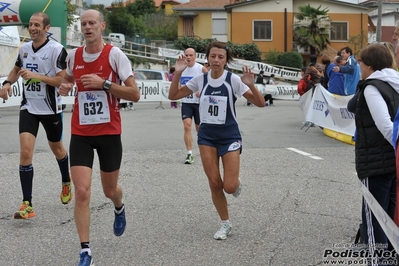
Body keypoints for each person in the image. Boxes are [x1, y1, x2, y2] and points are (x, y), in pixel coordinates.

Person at [59, 9, 140, 266]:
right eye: (83, 24)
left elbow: (134, 94)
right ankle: (85, 251)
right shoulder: (73, 56)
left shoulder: (115, 55)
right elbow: (68, 79)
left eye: (92, 23)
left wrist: (104, 84)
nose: (87, 27)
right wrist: (64, 85)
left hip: (109, 132)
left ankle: (119, 205)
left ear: (102, 26)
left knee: (109, 190)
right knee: (82, 192)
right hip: (81, 132)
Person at [168, 41, 265, 240]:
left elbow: (260, 103)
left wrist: (251, 85)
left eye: (221, 57)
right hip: (207, 136)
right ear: (208, 58)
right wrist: (177, 73)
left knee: (229, 186)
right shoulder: (200, 80)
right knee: (214, 183)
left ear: (226, 60)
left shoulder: (233, 80)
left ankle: (235, 183)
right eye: (213, 56)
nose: (216, 60)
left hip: (229, 136)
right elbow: (174, 95)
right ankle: (225, 223)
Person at [0, 12, 72, 219]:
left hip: (50, 109)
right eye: (31, 24)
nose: (32, 28)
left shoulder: (57, 50)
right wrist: (6, 84)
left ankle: (66, 181)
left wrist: (36, 76)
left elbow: (63, 81)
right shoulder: (24, 49)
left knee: (57, 149)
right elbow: (15, 70)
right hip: (28, 107)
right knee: (25, 152)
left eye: (37, 25)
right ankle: (27, 204)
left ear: (46, 28)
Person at [347, 43, 399, 264]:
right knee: (389, 217)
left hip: (376, 161)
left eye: (360, 61)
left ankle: (376, 261)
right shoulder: (394, 82)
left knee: (374, 218)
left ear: (369, 64)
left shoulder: (372, 87)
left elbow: (386, 126)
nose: (358, 65)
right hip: (393, 163)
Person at [179, 47, 208, 164]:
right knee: (187, 126)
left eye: (191, 55)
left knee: (199, 129)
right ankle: (189, 153)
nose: (188, 57)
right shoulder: (181, 69)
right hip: (186, 102)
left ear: (195, 57)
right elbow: (177, 84)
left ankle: (205, 151)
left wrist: (202, 91)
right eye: (187, 55)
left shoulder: (201, 69)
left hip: (198, 103)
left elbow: (209, 82)